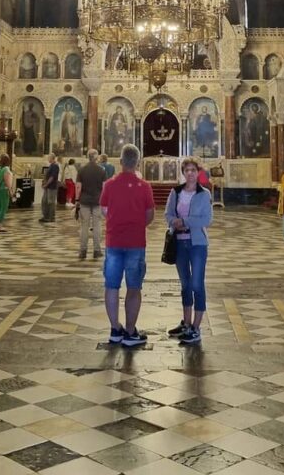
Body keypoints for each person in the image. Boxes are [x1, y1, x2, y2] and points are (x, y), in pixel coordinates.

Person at [100, 143, 155, 347]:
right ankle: (130, 332)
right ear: (138, 162)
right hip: (136, 242)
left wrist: (116, 220)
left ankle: (115, 329)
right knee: (134, 287)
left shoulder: (109, 185)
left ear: (121, 162)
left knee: (111, 286)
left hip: (113, 241)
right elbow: (150, 215)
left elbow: (104, 210)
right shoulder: (144, 187)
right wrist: (137, 224)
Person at [165, 157, 213, 345]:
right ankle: (186, 323)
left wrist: (185, 222)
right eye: (187, 170)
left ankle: (196, 327)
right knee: (185, 284)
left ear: (197, 172)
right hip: (179, 243)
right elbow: (167, 213)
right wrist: (173, 222)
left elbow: (207, 219)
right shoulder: (175, 192)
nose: (190, 173)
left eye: (193, 170)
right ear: (183, 173)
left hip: (198, 244)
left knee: (197, 284)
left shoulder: (204, 193)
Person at [76, 148, 107, 260]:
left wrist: (76, 200)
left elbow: (78, 187)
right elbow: (104, 188)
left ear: (87, 157)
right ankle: (97, 250)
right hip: (97, 201)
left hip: (84, 201)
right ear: (96, 157)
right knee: (97, 226)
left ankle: (83, 251)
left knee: (84, 227)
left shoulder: (82, 170)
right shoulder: (101, 170)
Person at [0, 153, 13, 232]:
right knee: (3, 207)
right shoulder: (6, 169)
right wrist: (11, 191)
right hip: (4, 189)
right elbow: (7, 181)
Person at [40, 153, 60, 224]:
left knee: (50, 202)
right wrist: (44, 183)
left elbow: (52, 177)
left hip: (51, 187)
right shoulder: (51, 165)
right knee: (44, 201)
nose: (48, 159)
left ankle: (51, 217)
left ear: (52, 158)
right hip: (47, 187)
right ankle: (45, 216)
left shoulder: (55, 166)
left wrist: (47, 184)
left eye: (49, 158)